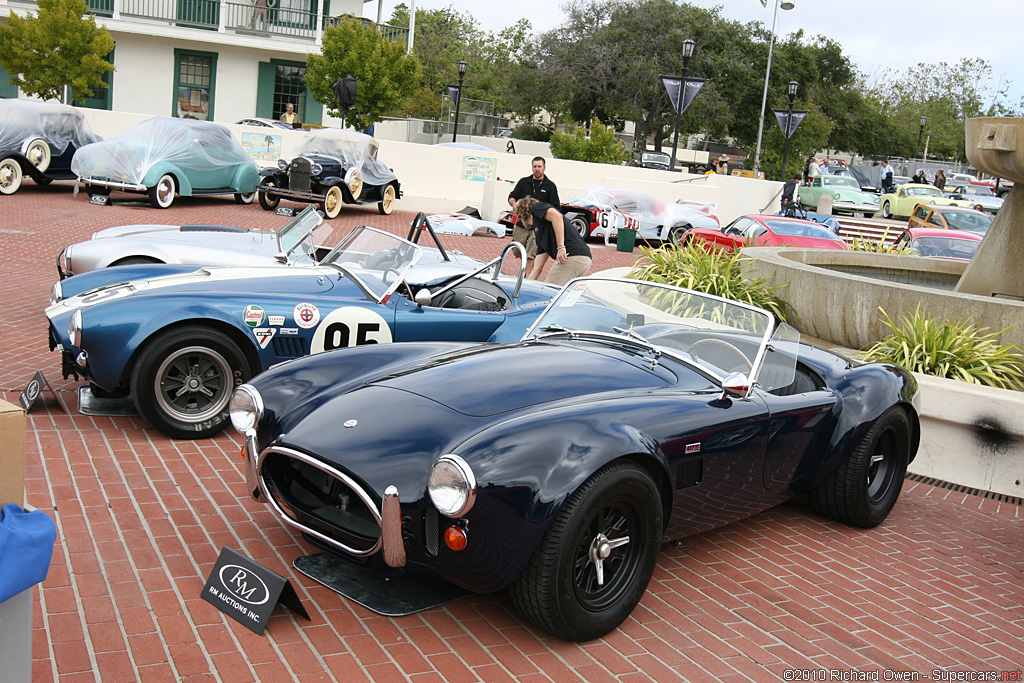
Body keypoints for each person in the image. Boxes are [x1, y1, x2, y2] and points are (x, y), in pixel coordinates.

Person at [516, 197, 591, 286]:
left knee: (549, 292)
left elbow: (557, 216)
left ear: (522, 214)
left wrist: (561, 246)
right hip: (583, 259)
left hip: (571, 255)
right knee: (562, 296)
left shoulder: (536, 208)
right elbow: (537, 268)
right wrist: (524, 286)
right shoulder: (541, 233)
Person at [507, 157, 560, 275]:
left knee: (531, 253)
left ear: (544, 168)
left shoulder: (550, 186)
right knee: (518, 250)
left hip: (538, 227)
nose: (537, 169)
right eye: (535, 166)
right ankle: (526, 270)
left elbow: (556, 207)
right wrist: (514, 205)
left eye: (539, 167)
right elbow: (512, 196)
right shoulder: (524, 182)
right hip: (522, 224)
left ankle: (526, 276)